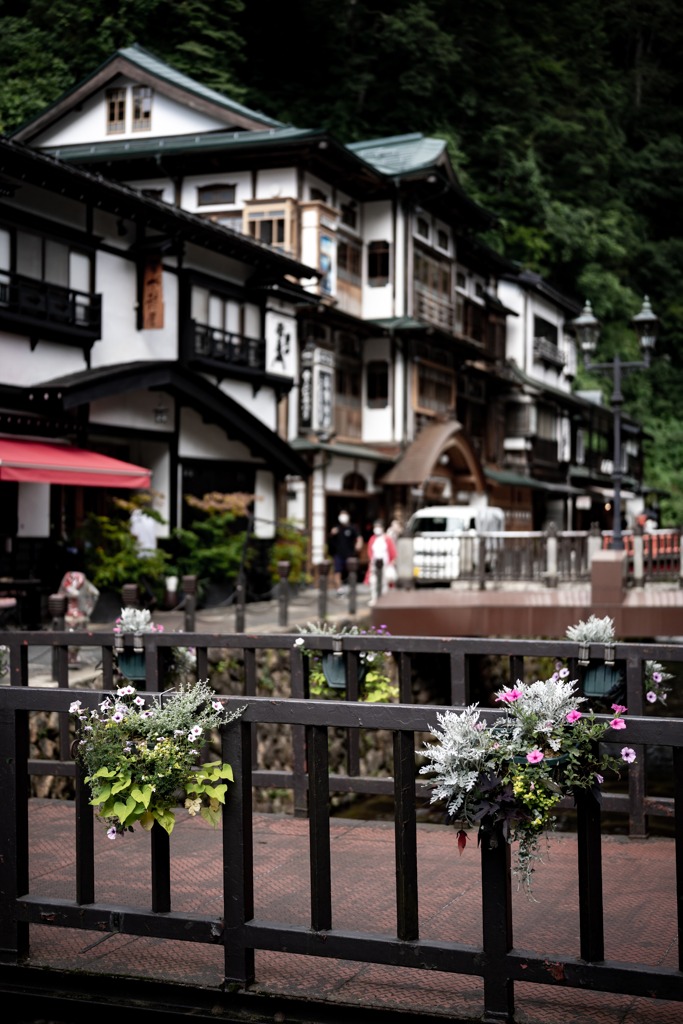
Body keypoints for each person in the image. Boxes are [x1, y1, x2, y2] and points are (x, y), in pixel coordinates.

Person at [328, 511, 362, 594]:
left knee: (352, 572)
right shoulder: (336, 528)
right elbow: (329, 540)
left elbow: (359, 537)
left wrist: (359, 544)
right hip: (338, 554)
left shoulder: (352, 528)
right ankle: (339, 590)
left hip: (350, 555)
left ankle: (352, 588)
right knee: (337, 571)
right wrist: (332, 534)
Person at [365, 521, 398, 606]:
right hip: (374, 564)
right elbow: (370, 552)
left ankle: (385, 599)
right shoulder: (372, 539)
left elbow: (393, 553)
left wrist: (391, 564)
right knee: (374, 582)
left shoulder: (387, 539)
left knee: (384, 582)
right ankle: (374, 598)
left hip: (385, 565)